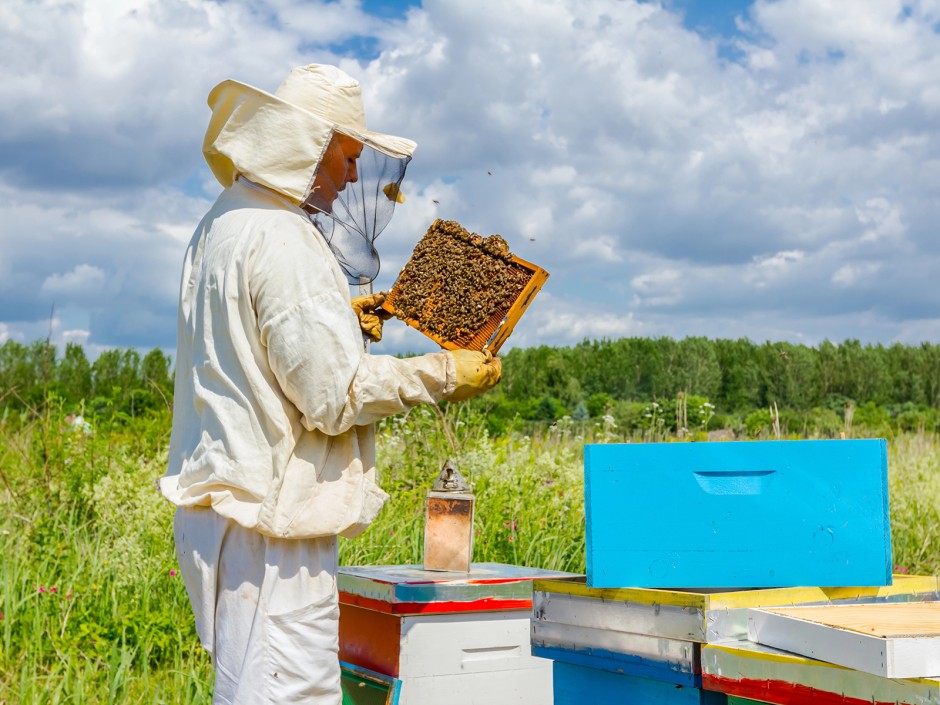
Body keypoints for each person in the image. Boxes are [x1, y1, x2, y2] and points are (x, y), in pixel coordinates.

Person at [160, 64, 502, 704]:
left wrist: (336, 320)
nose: (352, 175)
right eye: (346, 157)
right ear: (305, 148)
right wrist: (444, 373)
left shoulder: (227, 221)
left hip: (235, 515)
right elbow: (334, 396)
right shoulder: (285, 238)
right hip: (271, 531)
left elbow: (250, 342)